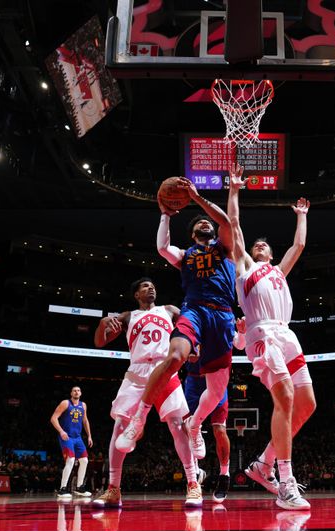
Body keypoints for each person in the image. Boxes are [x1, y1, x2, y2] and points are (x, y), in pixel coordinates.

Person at [117, 177, 237, 467]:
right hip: (194, 309)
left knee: (217, 391)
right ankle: (139, 418)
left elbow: (226, 223)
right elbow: (161, 247)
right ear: (193, 233)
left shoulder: (224, 247)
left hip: (222, 315)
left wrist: (196, 198)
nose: (205, 225)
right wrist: (164, 216)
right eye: (199, 225)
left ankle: (195, 426)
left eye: (207, 224)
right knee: (174, 356)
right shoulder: (185, 255)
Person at [227, 163, 315, 510]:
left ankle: (262, 465)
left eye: (264, 244)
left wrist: (302, 214)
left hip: (287, 335)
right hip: (261, 333)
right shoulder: (245, 267)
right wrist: (235, 189)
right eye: (256, 244)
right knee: (287, 396)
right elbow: (233, 226)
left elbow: (300, 244)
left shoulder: (279, 271)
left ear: (272, 254)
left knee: (307, 405)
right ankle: (286, 482)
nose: (260, 245)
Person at [91, 277, 201, 507]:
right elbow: (100, 343)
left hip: (164, 370)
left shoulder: (169, 310)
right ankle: (113, 489)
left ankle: (193, 483)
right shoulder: (128, 316)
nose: (151, 287)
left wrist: (195, 346)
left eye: (153, 285)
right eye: (144, 286)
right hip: (137, 372)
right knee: (120, 426)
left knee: (178, 426)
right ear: (136, 295)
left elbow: (190, 330)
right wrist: (102, 324)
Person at [183, 321, 246, 504]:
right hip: (194, 382)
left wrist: (241, 333)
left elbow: (240, 344)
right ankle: (195, 471)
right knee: (187, 427)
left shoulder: (222, 316)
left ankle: (224, 475)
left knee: (219, 430)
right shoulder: (192, 318)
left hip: (217, 380)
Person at [50, 386, 93, 500]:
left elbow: (85, 420)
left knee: (84, 460)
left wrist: (89, 436)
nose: (76, 392)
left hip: (78, 437)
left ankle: (79, 487)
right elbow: (53, 418)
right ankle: (62, 488)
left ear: (81, 393)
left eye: (78, 390)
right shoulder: (65, 403)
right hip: (67, 436)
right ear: (71, 393)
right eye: (74, 390)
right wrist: (61, 431)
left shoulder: (83, 405)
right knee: (71, 460)